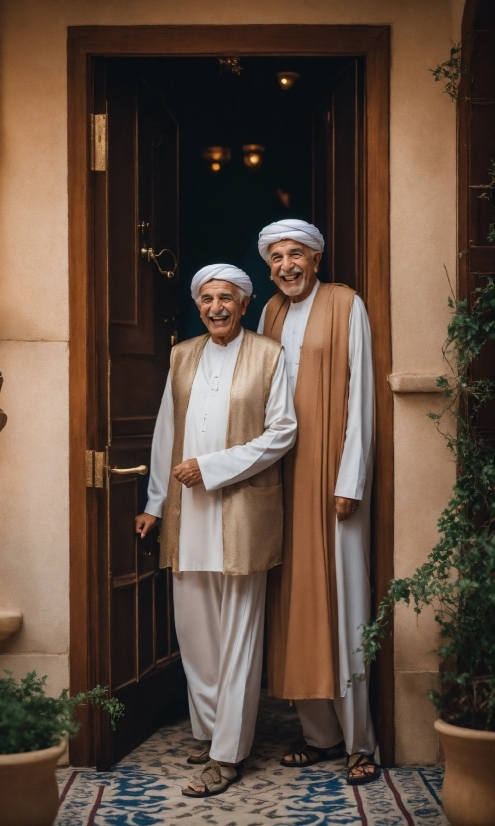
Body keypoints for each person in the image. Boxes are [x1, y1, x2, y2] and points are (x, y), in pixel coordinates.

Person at [135, 264, 297, 798]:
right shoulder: (182, 355)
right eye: (207, 298)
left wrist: (213, 467)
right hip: (188, 518)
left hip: (244, 514)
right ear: (198, 305)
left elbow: (283, 433)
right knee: (197, 638)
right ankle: (208, 732)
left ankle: (227, 755)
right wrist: (155, 504)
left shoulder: (269, 355)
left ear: (244, 303)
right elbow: (166, 432)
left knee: (239, 640)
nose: (216, 306)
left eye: (226, 297)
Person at [257, 219, 380, 785]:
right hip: (283, 472)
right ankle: (320, 736)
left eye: (296, 255)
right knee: (293, 597)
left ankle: (360, 742)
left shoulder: (345, 303)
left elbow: (360, 394)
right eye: (276, 257)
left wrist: (350, 478)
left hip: (331, 471)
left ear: (317, 258)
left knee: (342, 598)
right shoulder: (271, 314)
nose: (286, 265)